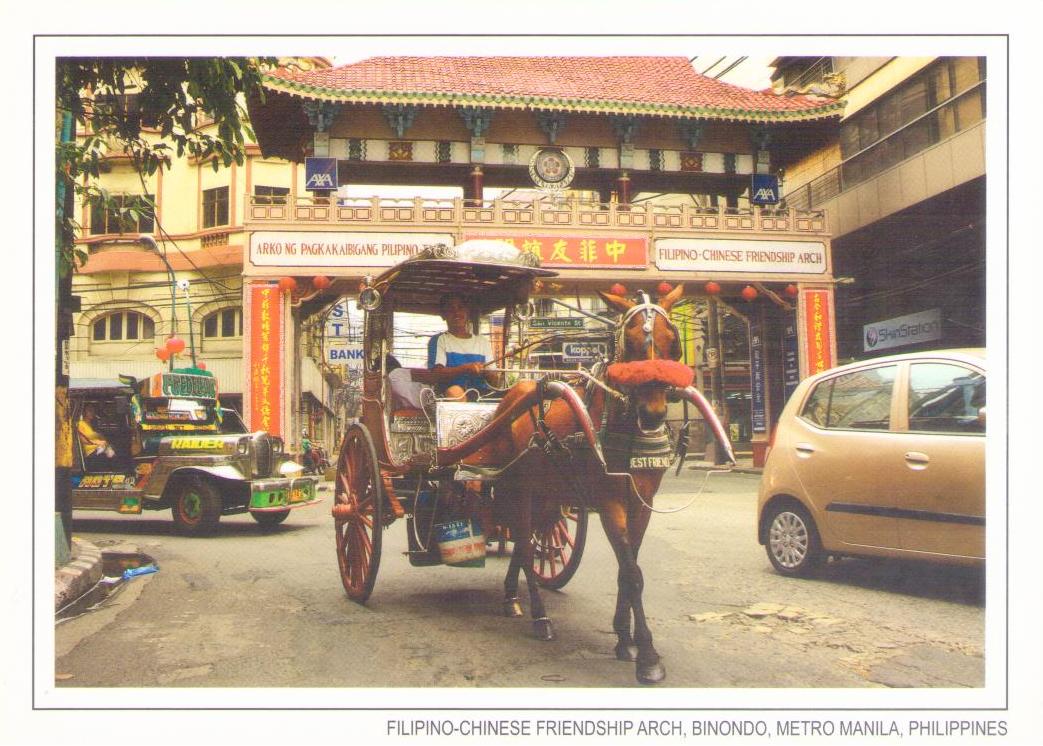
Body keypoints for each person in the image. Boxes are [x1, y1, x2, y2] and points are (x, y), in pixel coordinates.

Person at [422, 293, 498, 400]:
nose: (456, 312)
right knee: (455, 391)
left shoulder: (482, 342)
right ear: (443, 315)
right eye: (450, 309)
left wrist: (490, 374)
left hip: (482, 395)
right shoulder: (440, 340)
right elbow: (436, 374)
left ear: (467, 312)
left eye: (460, 308)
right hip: (449, 395)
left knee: (522, 390)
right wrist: (466, 368)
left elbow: (494, 381)